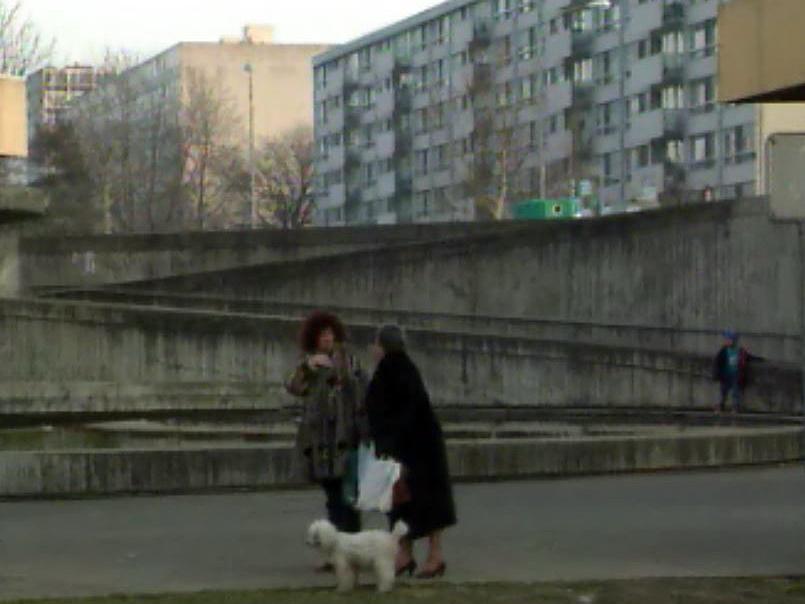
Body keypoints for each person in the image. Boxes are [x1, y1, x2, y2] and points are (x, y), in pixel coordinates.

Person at [365, 325, 456, 580]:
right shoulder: (406, 368)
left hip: (408, 450)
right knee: (417, 503)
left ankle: (426, 556)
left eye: (375, 344)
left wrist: (392, 452)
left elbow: (390, 415)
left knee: (409, 502)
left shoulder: (389, 372)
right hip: (423, 446)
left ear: (381, 346)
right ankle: (412, 555)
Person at [286, 311, 366, 570]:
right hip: (321, 441)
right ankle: (334, 554)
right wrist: (307, 367)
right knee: (332, 497)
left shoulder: (348, 360)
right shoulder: (308, 364)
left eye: (330, 334)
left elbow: (359, 388)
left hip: (345, 436)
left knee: (348, 497)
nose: (327, 339)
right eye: (322, 335)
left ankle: (352, 552)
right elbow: (292, 387)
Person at [712, 330, 762, 414]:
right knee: (723, 392)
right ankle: (720, 406)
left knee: (736, 392)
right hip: (725, 375)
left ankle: (735, 407)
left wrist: (759, 359)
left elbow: (748, 357)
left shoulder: (739, 351)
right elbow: (717, 362)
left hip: (736, 374)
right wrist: (716, 374)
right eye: (726, 340)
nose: (727, 341)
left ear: (734, 341)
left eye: (729, 340)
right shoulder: (723, 351)